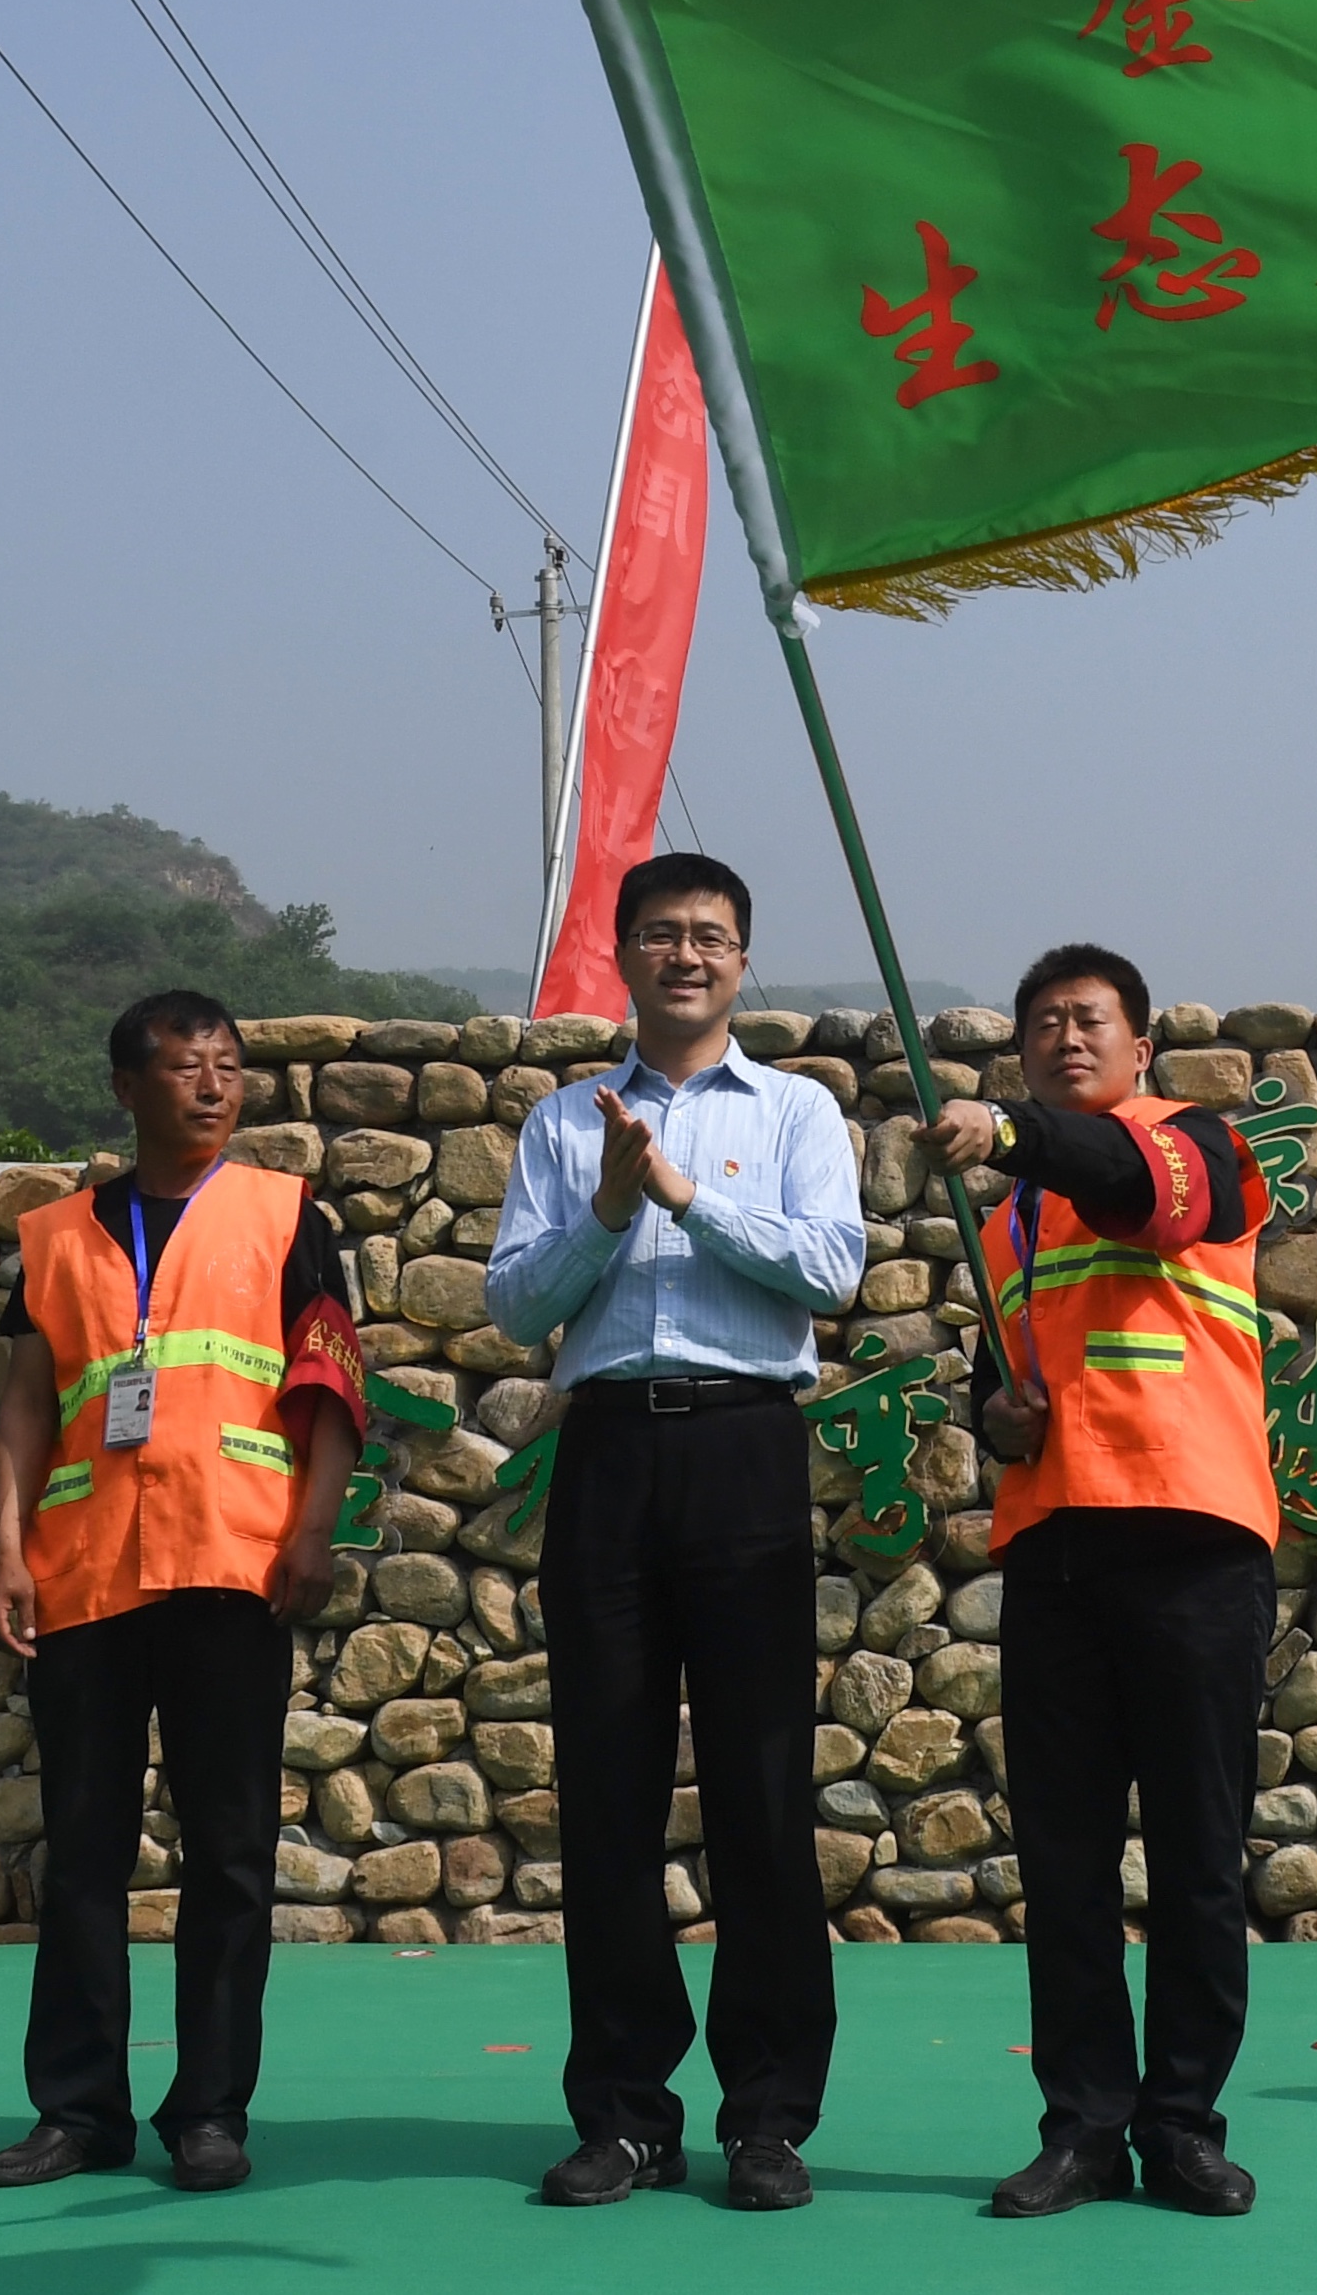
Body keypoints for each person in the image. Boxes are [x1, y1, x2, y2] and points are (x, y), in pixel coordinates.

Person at [487, 852, 865, 2211]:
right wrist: (607, 1204)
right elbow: (516, 1306)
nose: (686, 954)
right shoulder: (562, 1121)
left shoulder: (797, 1109)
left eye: (709, 934)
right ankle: (625, 2114)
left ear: (743, 958)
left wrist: (686, 1193)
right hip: (608, 1453)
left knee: (762, 1793)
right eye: (660, 932)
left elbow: (832, 1267)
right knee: (607, 1792)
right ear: (624, 953)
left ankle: (767, 2115)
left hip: (744, 1447)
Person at [0, 990, 369, 2193]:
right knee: (83, 1854)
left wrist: (313, 1527)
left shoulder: (288, 1214)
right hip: (86, 1574)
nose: (214, 1085)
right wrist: (6, 1547)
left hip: (233, 1567)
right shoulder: (56, 1236)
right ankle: (77, 2109)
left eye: (229, 1066)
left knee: (232, 1854)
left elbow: (330, 1388)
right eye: (188, 1066)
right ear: (126, 1086)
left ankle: (210, 2111)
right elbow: (28, 1402)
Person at [915, 942, 1271, 2222]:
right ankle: (1082, 2127)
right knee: (1065, 1863)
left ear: (1142, 1047)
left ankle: (1182, 2126)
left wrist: (1011, 1131)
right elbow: (1003, 1380)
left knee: (1196, 1856)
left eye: (1090, 1020)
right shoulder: (1008, 1217)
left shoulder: (1200, 1145)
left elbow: (1138, 1191)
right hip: (1058, 1544)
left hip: (1193, 1536)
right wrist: (996, 1417)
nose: (1067, 1038)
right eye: (1044, 1025)